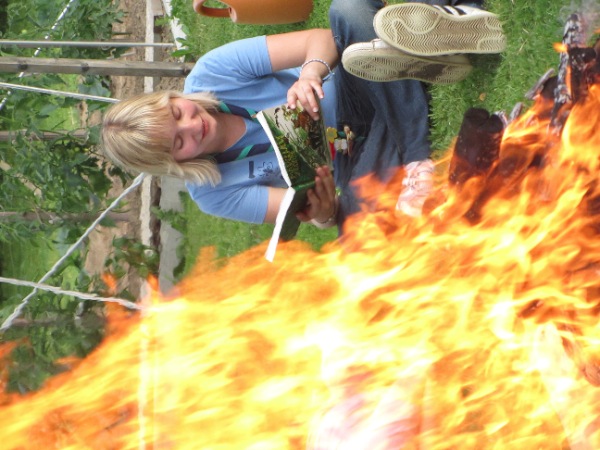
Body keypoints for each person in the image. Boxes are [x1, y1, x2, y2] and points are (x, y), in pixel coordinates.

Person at [101, 0, 505, 232]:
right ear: (175, 162)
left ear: (171, 97)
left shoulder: (212, 73)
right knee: (357, 233)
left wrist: (310, 74)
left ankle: (416, 156)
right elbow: (315, 214)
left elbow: (321, 39)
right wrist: (324, 213)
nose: (193, 125)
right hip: (355, 158)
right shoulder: (212, 193)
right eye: (180, 141)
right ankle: (416, 66)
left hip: (352, 88)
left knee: (348, 10)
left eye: (177, 112)